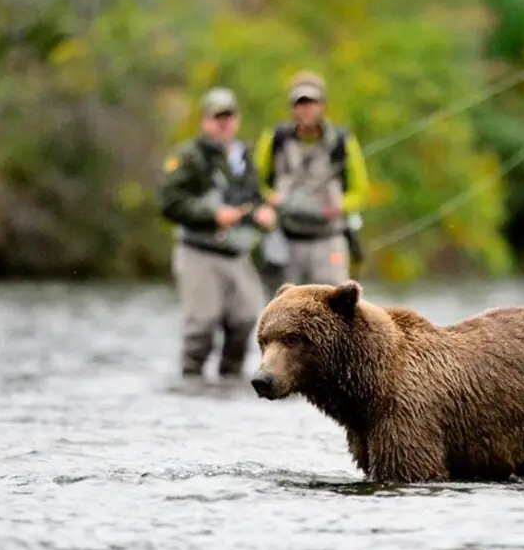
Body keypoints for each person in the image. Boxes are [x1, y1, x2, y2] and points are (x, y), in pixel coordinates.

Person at [157, 87, 277, 378]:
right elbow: (169, 202)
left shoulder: (244, 156)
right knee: (202, 325)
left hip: (236, 253)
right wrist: (211, 214)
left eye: (228, 116)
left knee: (247, 319)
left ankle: (229, 381)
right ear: (205, 120)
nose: (223, 122)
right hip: (198, 251)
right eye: (217, 117)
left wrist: (263, 211)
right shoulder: (188, 155)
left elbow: (252, 196)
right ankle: (191, 381)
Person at [254, 71, 370, 292]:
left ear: (322, 105)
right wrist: (269, 199)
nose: (306, 108)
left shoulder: (342, 143)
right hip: (287, 242)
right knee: (285, 309)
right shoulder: (274, 140)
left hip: (329, 240)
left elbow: (360, 192)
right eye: (300, 103)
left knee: (334, 310)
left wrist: (339, 206)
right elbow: (254, 184)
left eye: (312, 102)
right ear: (292, 107)